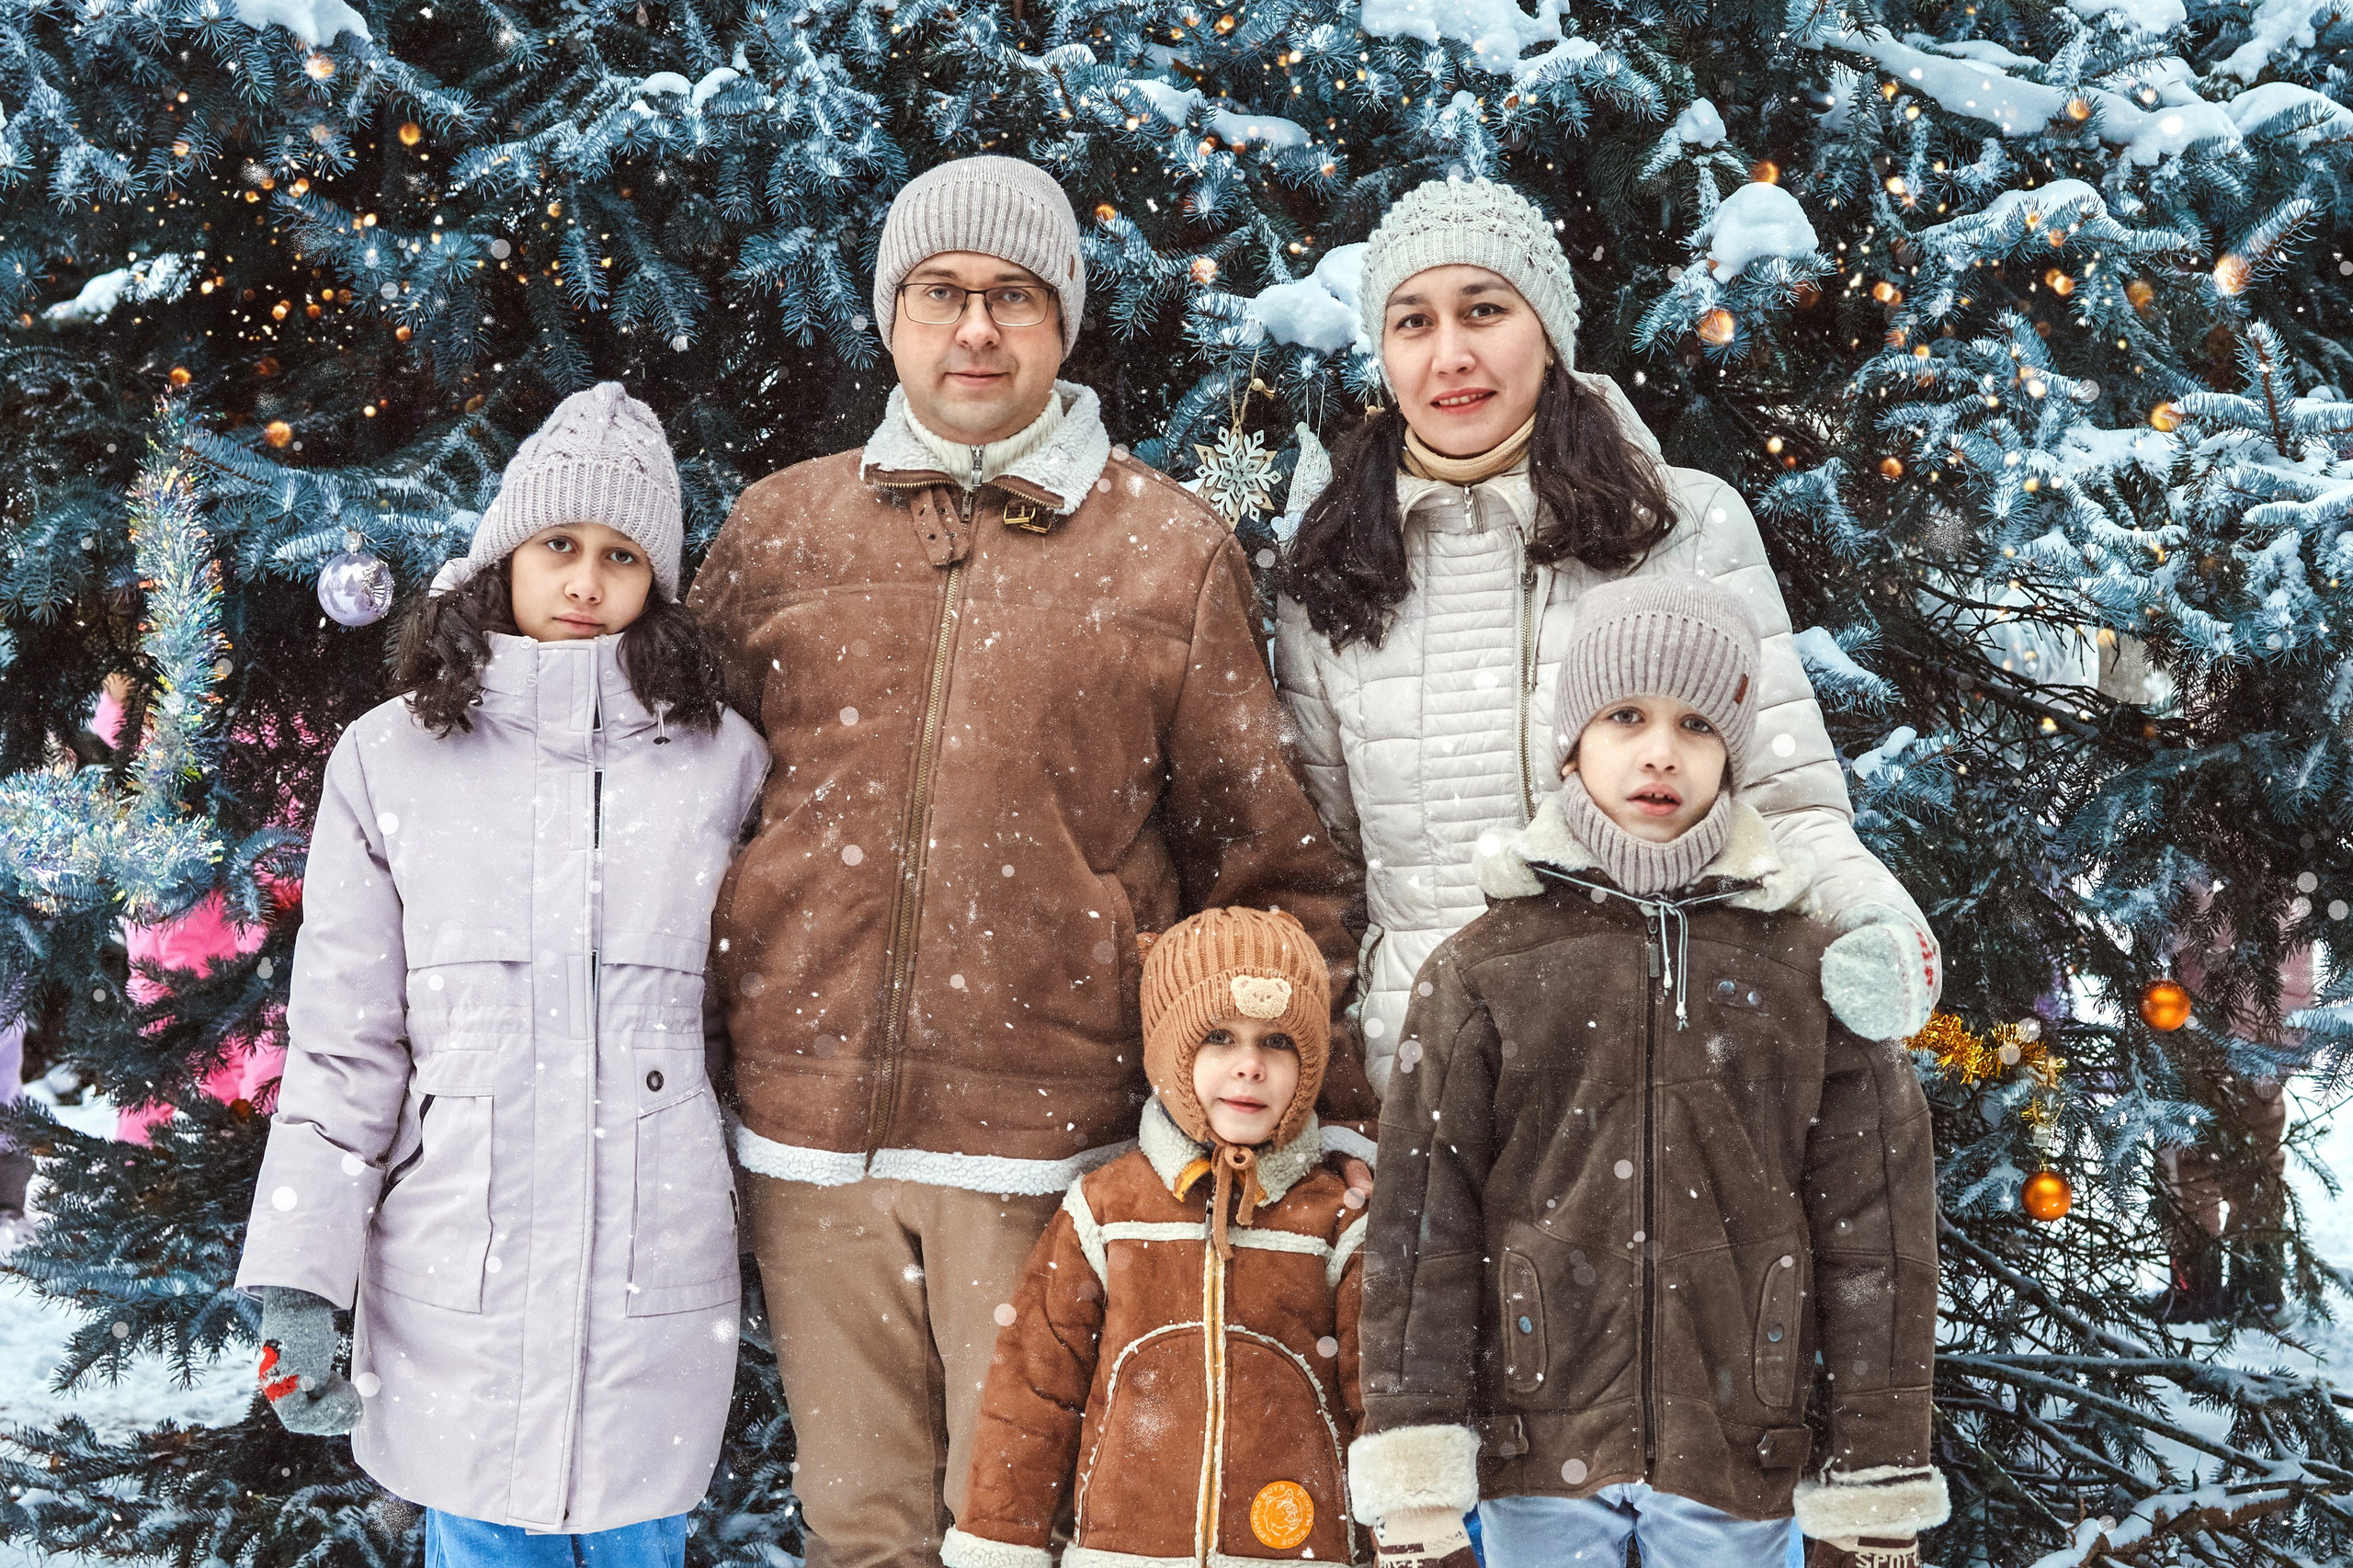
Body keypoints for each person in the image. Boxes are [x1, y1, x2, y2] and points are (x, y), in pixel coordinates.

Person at [688, 154, 1376, 1568]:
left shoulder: (1165, 550)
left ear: (1062, 322)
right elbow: (665, 800)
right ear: (893, 318)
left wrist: (1325, 1111)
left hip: (1046, 1141)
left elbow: (1267, 871)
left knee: (1029, 1522)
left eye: (1013, 296)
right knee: (861, 1528)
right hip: (804, 1138)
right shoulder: (781, 529)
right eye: (940, 293)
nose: (976, 329)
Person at [233, 383, 769, 1567]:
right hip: (454, 1262)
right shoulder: (390, 759)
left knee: (638, 1532)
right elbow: (343, 1043)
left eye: (621, 555)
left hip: (657, 1270)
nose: (585, 582)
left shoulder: (724, 762)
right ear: (504, 558)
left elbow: (763, 1020)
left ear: (656, 580)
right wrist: (298, 1278)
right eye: (559, 545)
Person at [1274, 176, 1940, 1096]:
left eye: (1483, 310)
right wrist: (1339, 1099)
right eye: (1413, 322)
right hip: (1429, 1105)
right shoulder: (1332, 569)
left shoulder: (1683, 525)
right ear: (1382, 351)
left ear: (1545, 332)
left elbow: (1786, 809)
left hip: (1654, 1101)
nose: (1451, 353)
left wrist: (1873, 926)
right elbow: (1326, 876)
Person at [1348, 576, 1946, 1568]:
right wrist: (1415, 1486)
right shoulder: (1483, 969)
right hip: (1535, 1456)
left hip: (1739, 1454)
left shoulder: (1801, 971)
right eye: (1626, 714)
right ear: (1572, 740)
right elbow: (1421, 1229)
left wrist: (1873, 1486)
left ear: (1734, 755)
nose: (1660, 749)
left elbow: (1877, 1236)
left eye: (1697, 722)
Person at [941, 906, 1366, 1568]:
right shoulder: (1105, 1209)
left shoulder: (1337, 1220)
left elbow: (1384, 1399)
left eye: (1277, 1042)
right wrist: (999, 1542)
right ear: (1171, 1052)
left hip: (1299, 1550)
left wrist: (1411, 1539)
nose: (1249, 1065)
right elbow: (1032, 1395)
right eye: (1220, 1037)